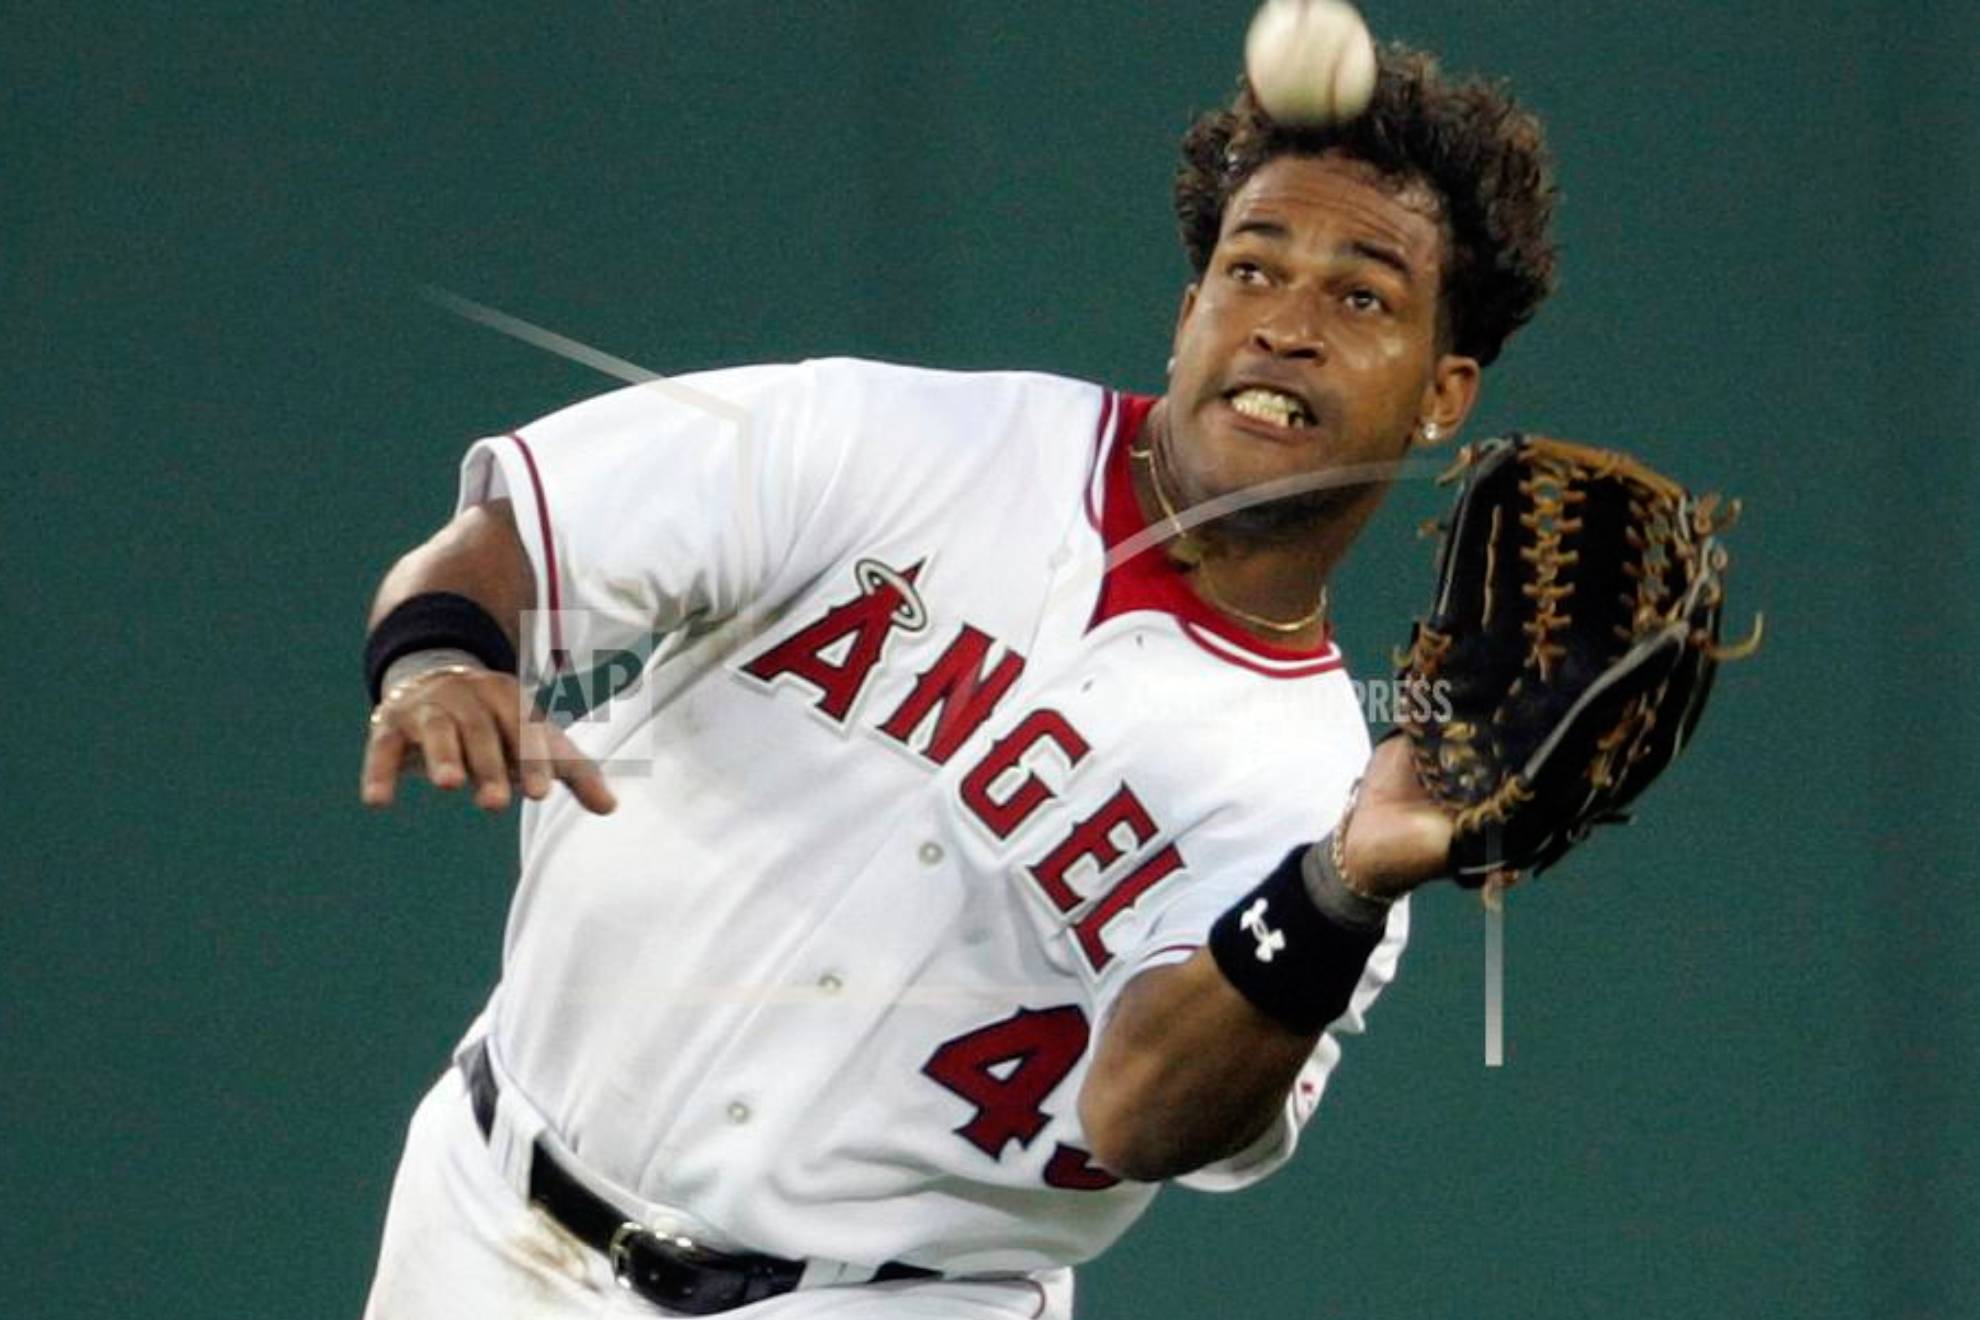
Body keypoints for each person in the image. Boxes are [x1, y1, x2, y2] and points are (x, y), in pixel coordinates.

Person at [357, 44, 1557, 1320]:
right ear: (1188, 309)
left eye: (1362, 298)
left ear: (1444, 392)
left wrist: (1341, 887)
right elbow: (521, 541)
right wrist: (441, 655)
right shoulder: (900, 445)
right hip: (487, 1222)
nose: (1286, 324)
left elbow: (1145, 1116)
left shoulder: (1325, 797)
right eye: (1248, 268)